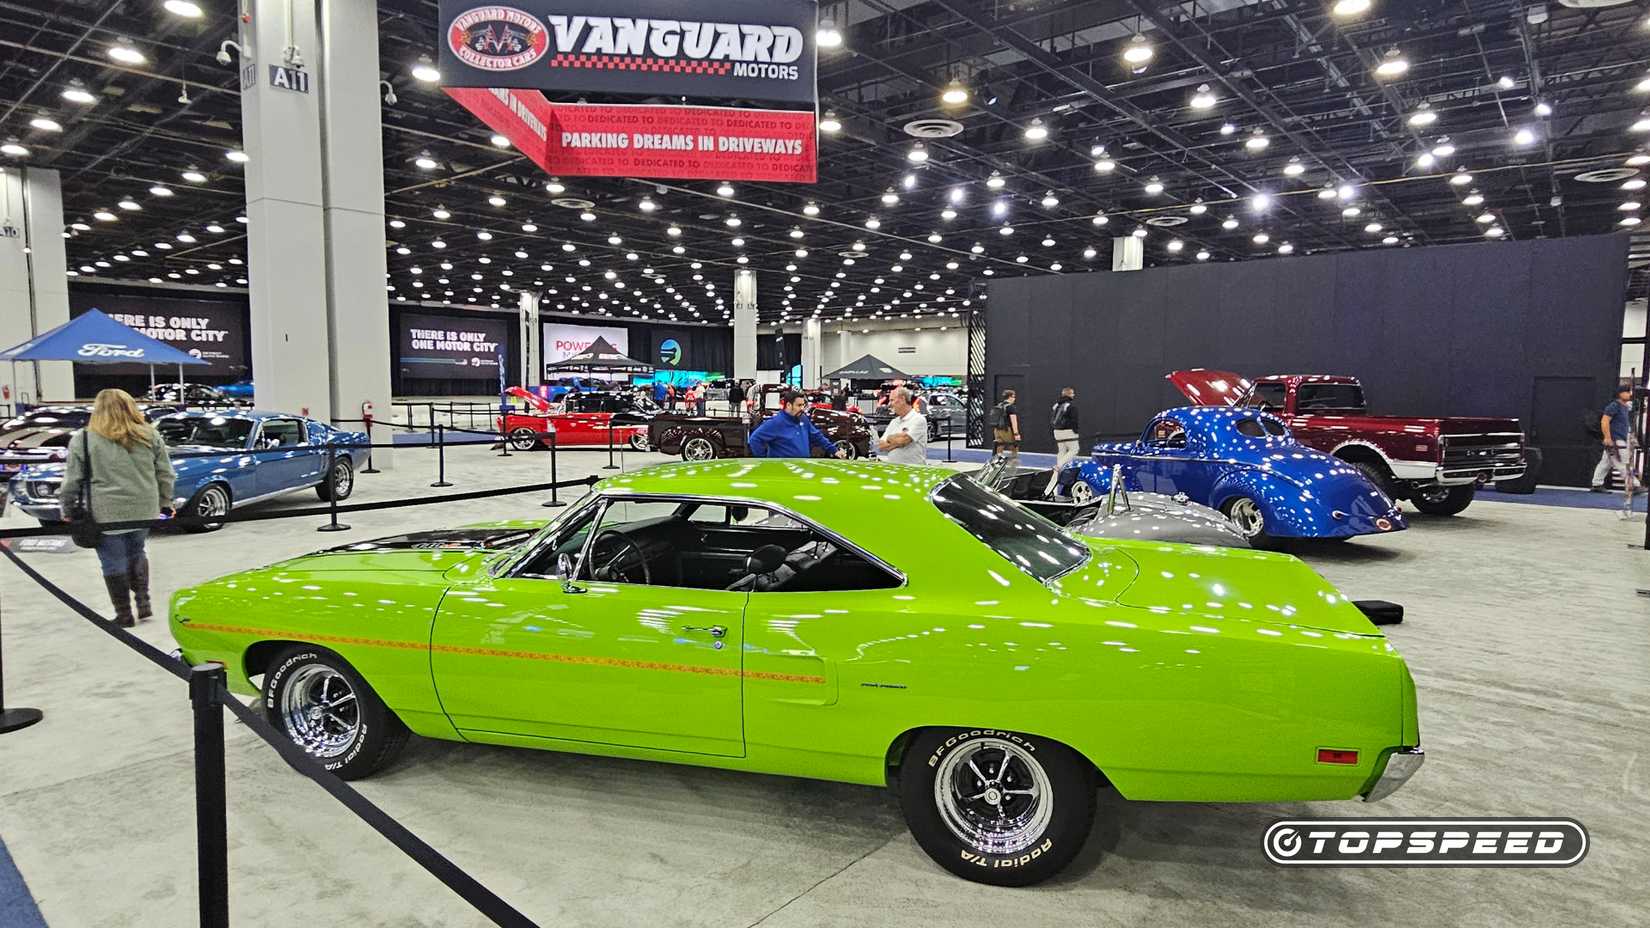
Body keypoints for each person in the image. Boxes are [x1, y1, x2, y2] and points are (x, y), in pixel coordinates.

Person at [59, 389, 177, 628]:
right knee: (137, 550)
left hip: (106, 512)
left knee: (113, 561)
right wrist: (166, 502)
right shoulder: (150, 435)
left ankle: (124, 614)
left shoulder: (84, 438)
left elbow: (72, 480)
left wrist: (67, 507)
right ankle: (143, 602)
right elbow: (166, 473)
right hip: (144, 508)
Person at [748, 389, 847, 459]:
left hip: (803, 468)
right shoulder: (776, 423)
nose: (802, 408)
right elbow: (755, 439)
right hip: (783, 473)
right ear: (788, 405)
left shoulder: (803, 419)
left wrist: (834, 450)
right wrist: (765, 461)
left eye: (803, 405)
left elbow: (817, 437)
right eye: (799, 405)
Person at [1591, 383, 1638, 492]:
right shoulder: (1614, 405)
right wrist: (1607, 438)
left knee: (1605, 463)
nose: (1629, 394)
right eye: (1627, 392)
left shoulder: (1624, 407)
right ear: (1619, 394)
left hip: (1619, 438)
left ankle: (1597, 484)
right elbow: (1605, 421)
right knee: (1623, 462)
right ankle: (1634, 485)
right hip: (1616, 439)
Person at [877, 386, 929, 465]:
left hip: (914, 470)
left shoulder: (918, 419)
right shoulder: (894, 422)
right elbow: (881, 445)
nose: (890, 404)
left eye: (892, 400)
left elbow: (903, 440)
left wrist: (889, 438)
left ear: (902, 399)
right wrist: (895, 440)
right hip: (894, 469)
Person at [1047, 386, 1080, 497]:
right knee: (1074, 449)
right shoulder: (1071, 406)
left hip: (1057, 431)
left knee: (1061, 451)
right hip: (1068, 431)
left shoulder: (1056, 405)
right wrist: (1075, 432)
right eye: (1072, 393)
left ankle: (1057, 473)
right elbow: (1074, 420)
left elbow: (1052, 419)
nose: (1074, 395)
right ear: (1069, 394)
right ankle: (1059, 466)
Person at [991, 389, 1021, 469]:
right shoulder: (1010, 407)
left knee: (999, 446)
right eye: (1014, 397)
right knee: (1014, 447)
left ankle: (996, 465)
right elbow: (1013, 421)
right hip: (1006, 430)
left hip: (997, 430)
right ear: (1010, 397)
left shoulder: (999, 405)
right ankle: (1013, 466)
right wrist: (1016, 433)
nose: (1014, 399)